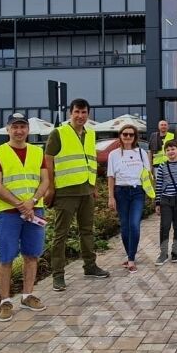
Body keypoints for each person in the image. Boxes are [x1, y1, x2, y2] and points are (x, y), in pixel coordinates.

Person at [0, 113, 49, 322]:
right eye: (15, 127)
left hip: (34, 210)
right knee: (5, 258)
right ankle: (5, 301)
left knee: (32, 255)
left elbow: (45, 181)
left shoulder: (37, 151)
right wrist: (21, 205)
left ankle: (27, 295)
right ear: (8, 130)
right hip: (8, 213)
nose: (19, 131)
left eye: (22, 127)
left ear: (28, 130)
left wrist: (31, 202)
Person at [45, 98, 109, 291]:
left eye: (84, 113)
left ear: (88, 114)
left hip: (86, 190)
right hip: (66, 192)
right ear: (70, 114)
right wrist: (50, 187)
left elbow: (90, 160)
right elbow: (48, 160)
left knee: (87, 231)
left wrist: (94, 186)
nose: (80, 116)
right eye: (77, 112)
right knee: (61, 235)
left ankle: (90, 266)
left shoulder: (90, 134)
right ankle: (58, 276)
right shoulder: (59, 133)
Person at [107, 123, 150, 273]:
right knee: (125, 226)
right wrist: (111, 196)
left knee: (134, 225)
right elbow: (111, 177)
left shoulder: (141, 153)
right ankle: (129, 254)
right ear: (120, 135)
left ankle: (131, 258)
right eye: (125, 134)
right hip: (121, 192)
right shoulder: (113, 155)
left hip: (137, 192)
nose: (128, 137)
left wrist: (151, 192)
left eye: (131, 134)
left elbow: (147, 175)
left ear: (135, 137)